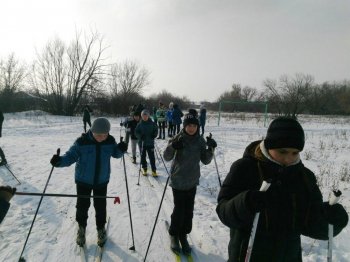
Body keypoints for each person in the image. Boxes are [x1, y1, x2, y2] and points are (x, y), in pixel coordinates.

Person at [216, 116, 349, 262]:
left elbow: (309, 223)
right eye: (282, 152)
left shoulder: (304, 177)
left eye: (295, 153)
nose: (288, 159)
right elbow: (224, 211)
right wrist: (245, 202)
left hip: (289, 257)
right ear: (268, 146)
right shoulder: (245, 168)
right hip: (248, 255)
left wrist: (331, 220)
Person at [50, 117, 127, 247]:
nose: (101, 137)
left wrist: (121, 149)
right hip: (83, 181)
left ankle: (101, 229)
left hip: (102, 181)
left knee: (100, 206)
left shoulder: (110, 141)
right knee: (82, 206)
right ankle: (81, 229)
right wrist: (59, 161)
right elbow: (70, 156)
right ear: (92, 131)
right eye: (98, 135)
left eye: (104, 135)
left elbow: (116, 154)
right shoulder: (82, 142)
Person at [163, 110, 217, 255]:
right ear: (184, 125)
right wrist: (173, 146)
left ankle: (183, 235)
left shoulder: (200, 140)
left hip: (192, 181)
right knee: (179, 209)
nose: (191, 128)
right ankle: (174, 234)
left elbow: (205, 160)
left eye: (194, 125)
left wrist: (211, 148)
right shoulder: (178, 138)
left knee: (189, 211)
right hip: (178, 181)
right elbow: (166, 157)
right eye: (189, 125)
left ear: (197, 127)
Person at [135, 109, 158, 177]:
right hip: (142, 143)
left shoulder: (152, 123)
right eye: (143, 116)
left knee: (152, 157)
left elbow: (156, 130)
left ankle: (154, 171)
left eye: (146, 115)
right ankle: (144, 169)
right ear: (141, 116)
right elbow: (136, 132)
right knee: (143, 157)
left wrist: (154, 134)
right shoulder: (139, 124)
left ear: (148, 116)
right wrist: (140, 136)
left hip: (150, 143)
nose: (145, 117)